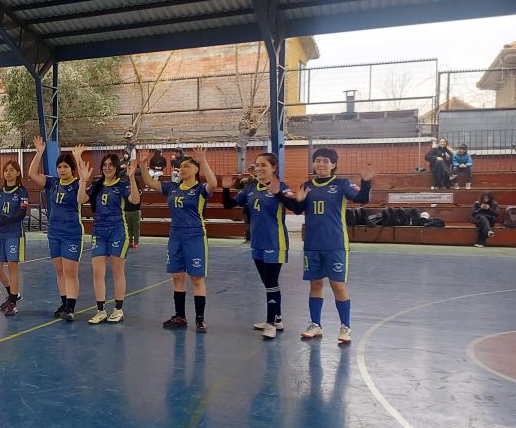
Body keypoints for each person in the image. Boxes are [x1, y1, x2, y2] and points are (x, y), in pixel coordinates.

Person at [291, 148, 375, 343]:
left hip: (335, 243)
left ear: (333, 164)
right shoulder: (307, 185)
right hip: (312, 244)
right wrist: (298, 201)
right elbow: (297, 210)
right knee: (315, 284)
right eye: (317, 160)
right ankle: (315, 324)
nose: (321, 164)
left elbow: (362, 199)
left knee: (337, 285)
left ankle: (346, 327)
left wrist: (366, 182)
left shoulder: (341, 184)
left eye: (325, 161)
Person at [139, 147, 218, 332]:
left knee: (196, 278)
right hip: (175, 236)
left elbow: (213, 184)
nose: (181, 169)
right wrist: (143, 164)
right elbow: (149, 181)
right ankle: (180, 316)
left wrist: (203, 160)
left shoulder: (200, 189)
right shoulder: (172, 188)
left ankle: (200, 319)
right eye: (180, 167)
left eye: (186, 166)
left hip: (195, 236)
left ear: (195, 170)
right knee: (177, 276)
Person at [222, 153, 295, 339]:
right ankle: (277, 319)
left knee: (271, 283)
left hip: (275, 242)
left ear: (274, 167)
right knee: (268, 283)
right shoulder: (250, 189)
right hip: (257, 242)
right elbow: (228, 205)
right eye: (256, 165)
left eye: (263, 165)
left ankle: (270, 323)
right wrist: (225, 189)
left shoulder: (281, 187)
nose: (259, 168)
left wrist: (278, 192)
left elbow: (295, 206)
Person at [28, 136, 90, 322]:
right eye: (60, 167)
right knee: (60, 270)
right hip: (54, 232)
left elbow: (81, 200)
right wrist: (39, 153)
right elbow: (32, 174)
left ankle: (71, 307)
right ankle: (64, 303)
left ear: (72, 169)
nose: (62, 170)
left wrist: (78, 159)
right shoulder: (53, 182)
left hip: (71, 233)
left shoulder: (78, 184)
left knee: (70, 271)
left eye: (66, 167)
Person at [86, 153, 141, 324]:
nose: (107, 167)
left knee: (117, 271)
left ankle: (118, 309)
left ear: (117, 167)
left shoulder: (122, 185)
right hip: (99, 232)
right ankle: (100, 310)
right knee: (97, 272)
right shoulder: (97, 186)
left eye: (111, 164)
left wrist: (132, 178)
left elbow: (135, 200)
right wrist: (82, 180)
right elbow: (82, 199)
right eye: (105, 164)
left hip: (117, 231)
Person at [0, 160, 29, 316]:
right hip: (1, 234)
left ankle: (12, 302)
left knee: (12, 267)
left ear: (18, 173)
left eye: (12, 170)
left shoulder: (21, 192)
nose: (8, 173)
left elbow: (21, 214)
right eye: (6, 170)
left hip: (14, 233)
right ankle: (13, 293)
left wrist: (1, 221)